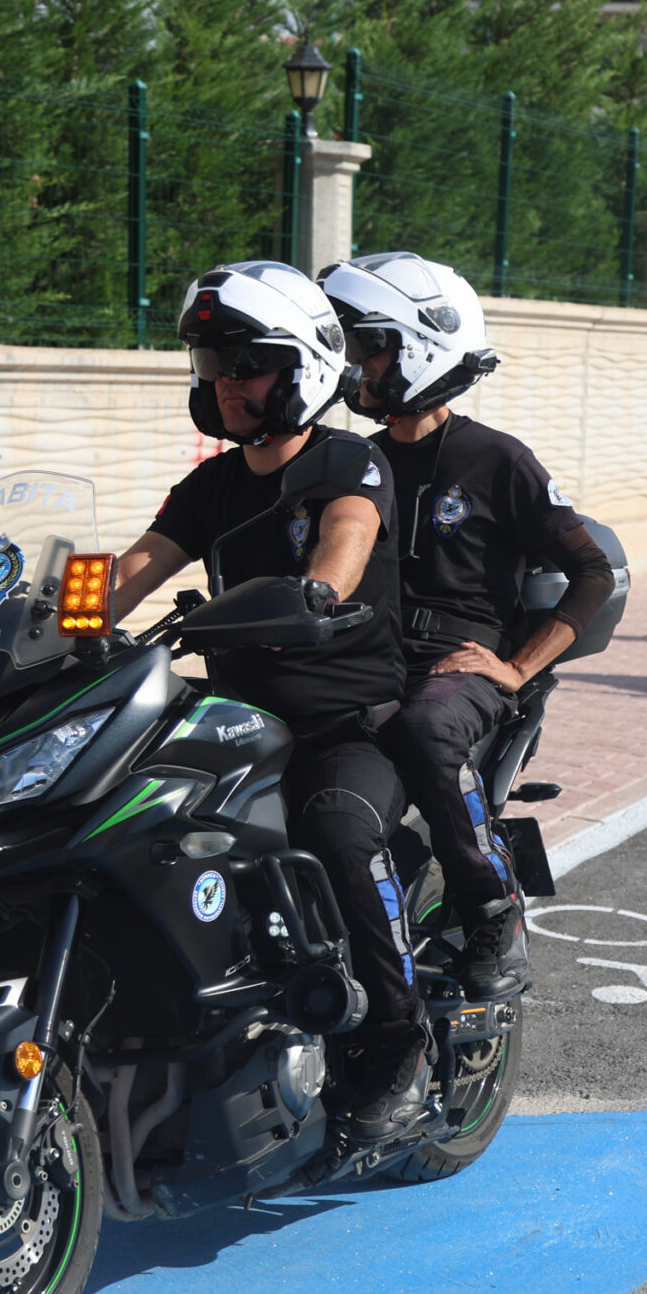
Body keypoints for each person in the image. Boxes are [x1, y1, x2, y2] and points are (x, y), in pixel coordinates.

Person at [106, 260, 427, 1143]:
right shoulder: (211, 487)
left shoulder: (350, 463)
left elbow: (345, 540)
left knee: (339, 827)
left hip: (345, 726)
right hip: (241, 722)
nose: (226, 383)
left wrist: (316, 593)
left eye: (247, 364)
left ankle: (398, 1040)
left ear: (305, 367)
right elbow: (133, 569)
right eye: (214, 364)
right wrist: (42, 614)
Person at [321, 251, 617, 1000]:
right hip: (373, 657)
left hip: (459, 665)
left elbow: (593, 572)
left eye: (370, 348)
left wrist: (517, 668)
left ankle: (493, 907)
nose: (356, 366)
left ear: (418, 351)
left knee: (426, 728)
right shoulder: (353, 462)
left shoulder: (498, 459)